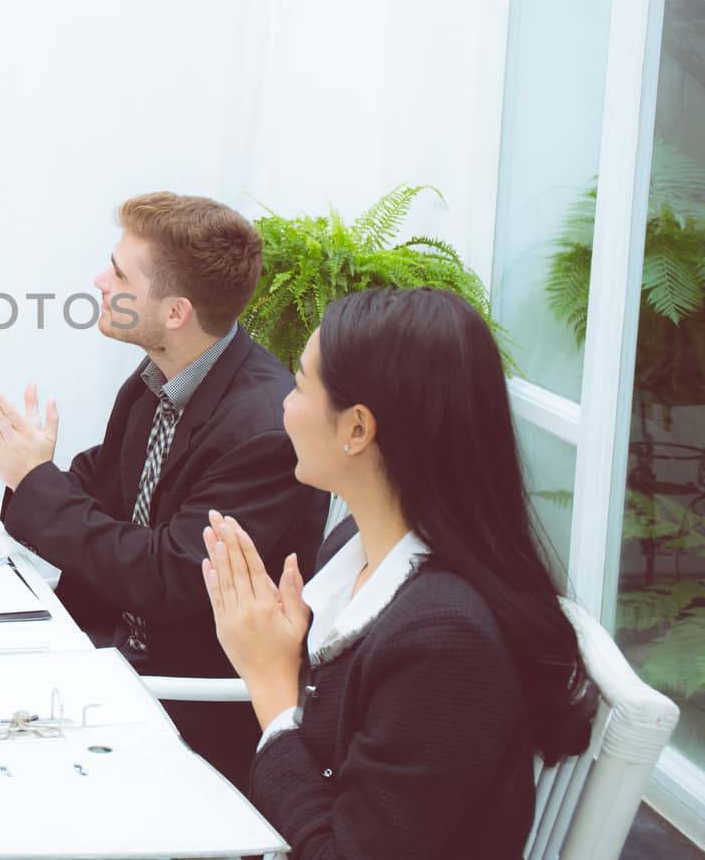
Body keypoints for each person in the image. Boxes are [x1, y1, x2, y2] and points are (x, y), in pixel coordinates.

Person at [0, 192, 326, 788]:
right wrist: (30, 470)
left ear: (175, 312)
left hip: (185, 703)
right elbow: (100, 485)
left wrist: (33, 480)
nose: (99, 280)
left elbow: (166, 576)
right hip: (108, 661)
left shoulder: (262, 432)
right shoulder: (157, 377)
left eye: (119, 273)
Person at [201, 287, 593, 858]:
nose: (285, 403)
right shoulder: (357, 548)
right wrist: (285, 660)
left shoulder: (444, 642)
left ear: (357, 430)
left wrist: (271, 686)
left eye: (301, 384)